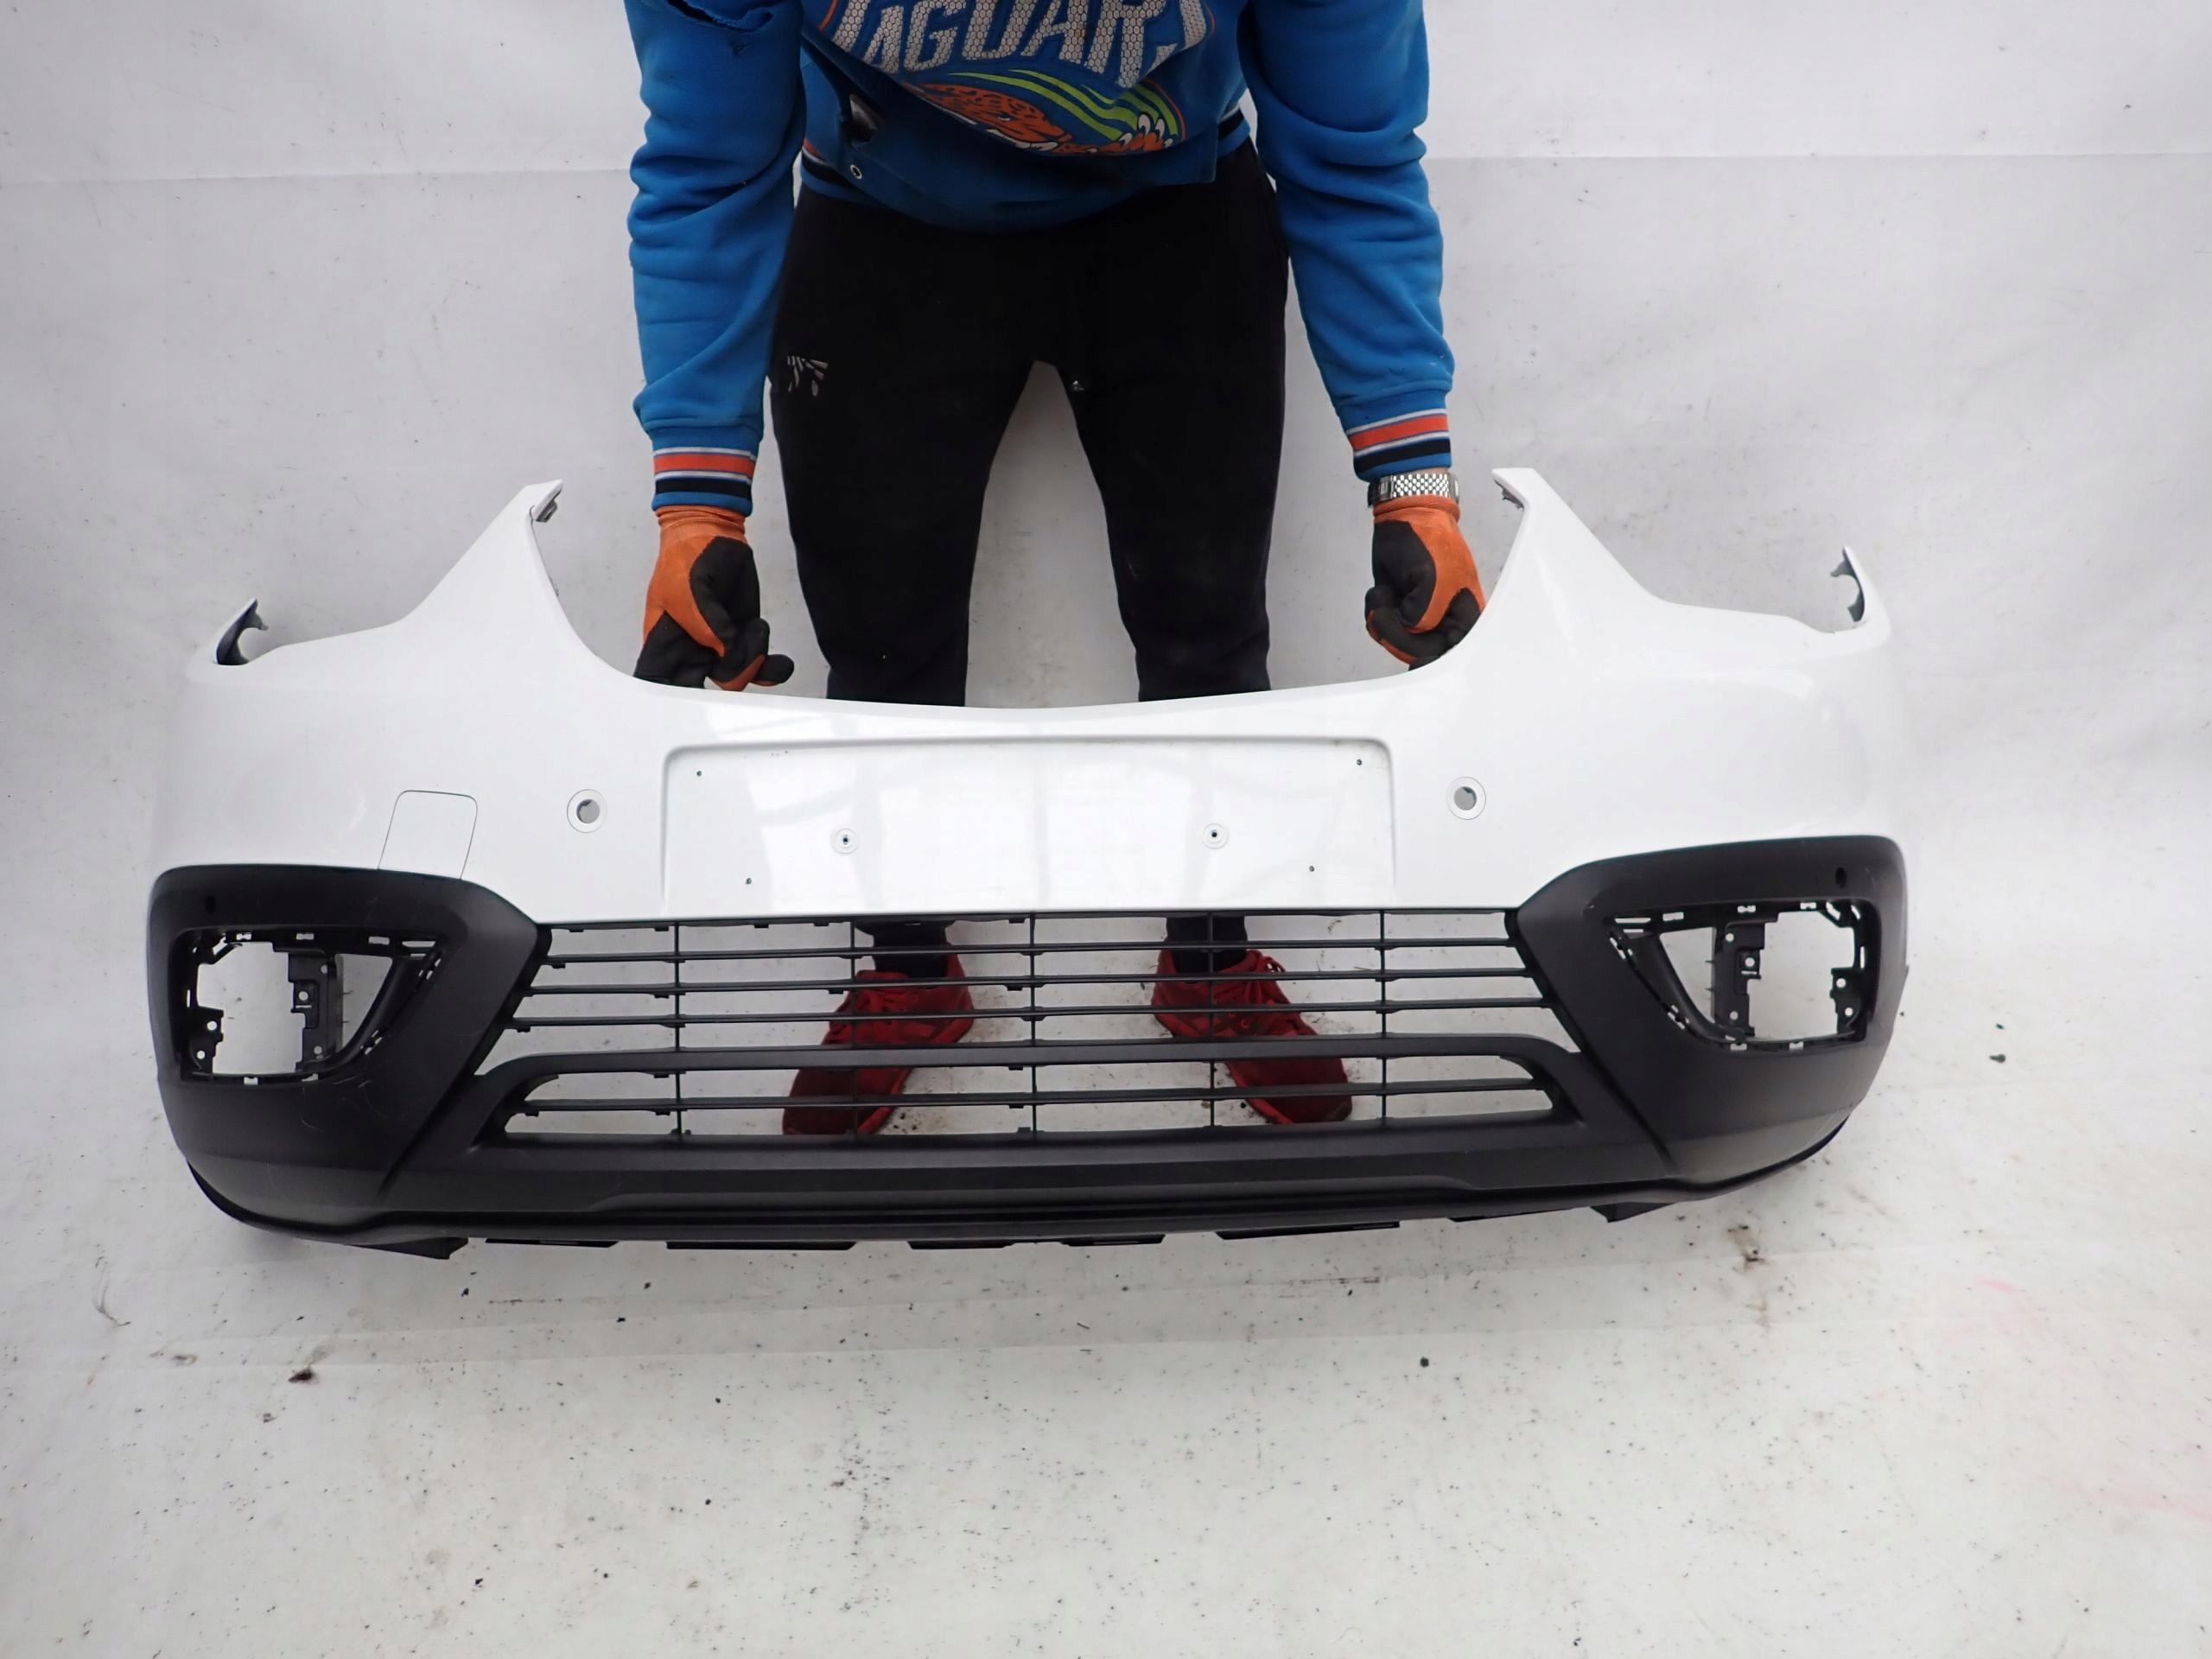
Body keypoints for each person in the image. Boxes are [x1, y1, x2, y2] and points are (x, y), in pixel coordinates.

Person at [624, 0, 1481, 1134]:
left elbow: (1354, 155)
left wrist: (1413, 480)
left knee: (1208, 641)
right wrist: (697, 508)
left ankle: (1209, 962)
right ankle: (910, 973)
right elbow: (709, 166)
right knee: (882, 656)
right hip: (882, 230)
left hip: (1173, 222)